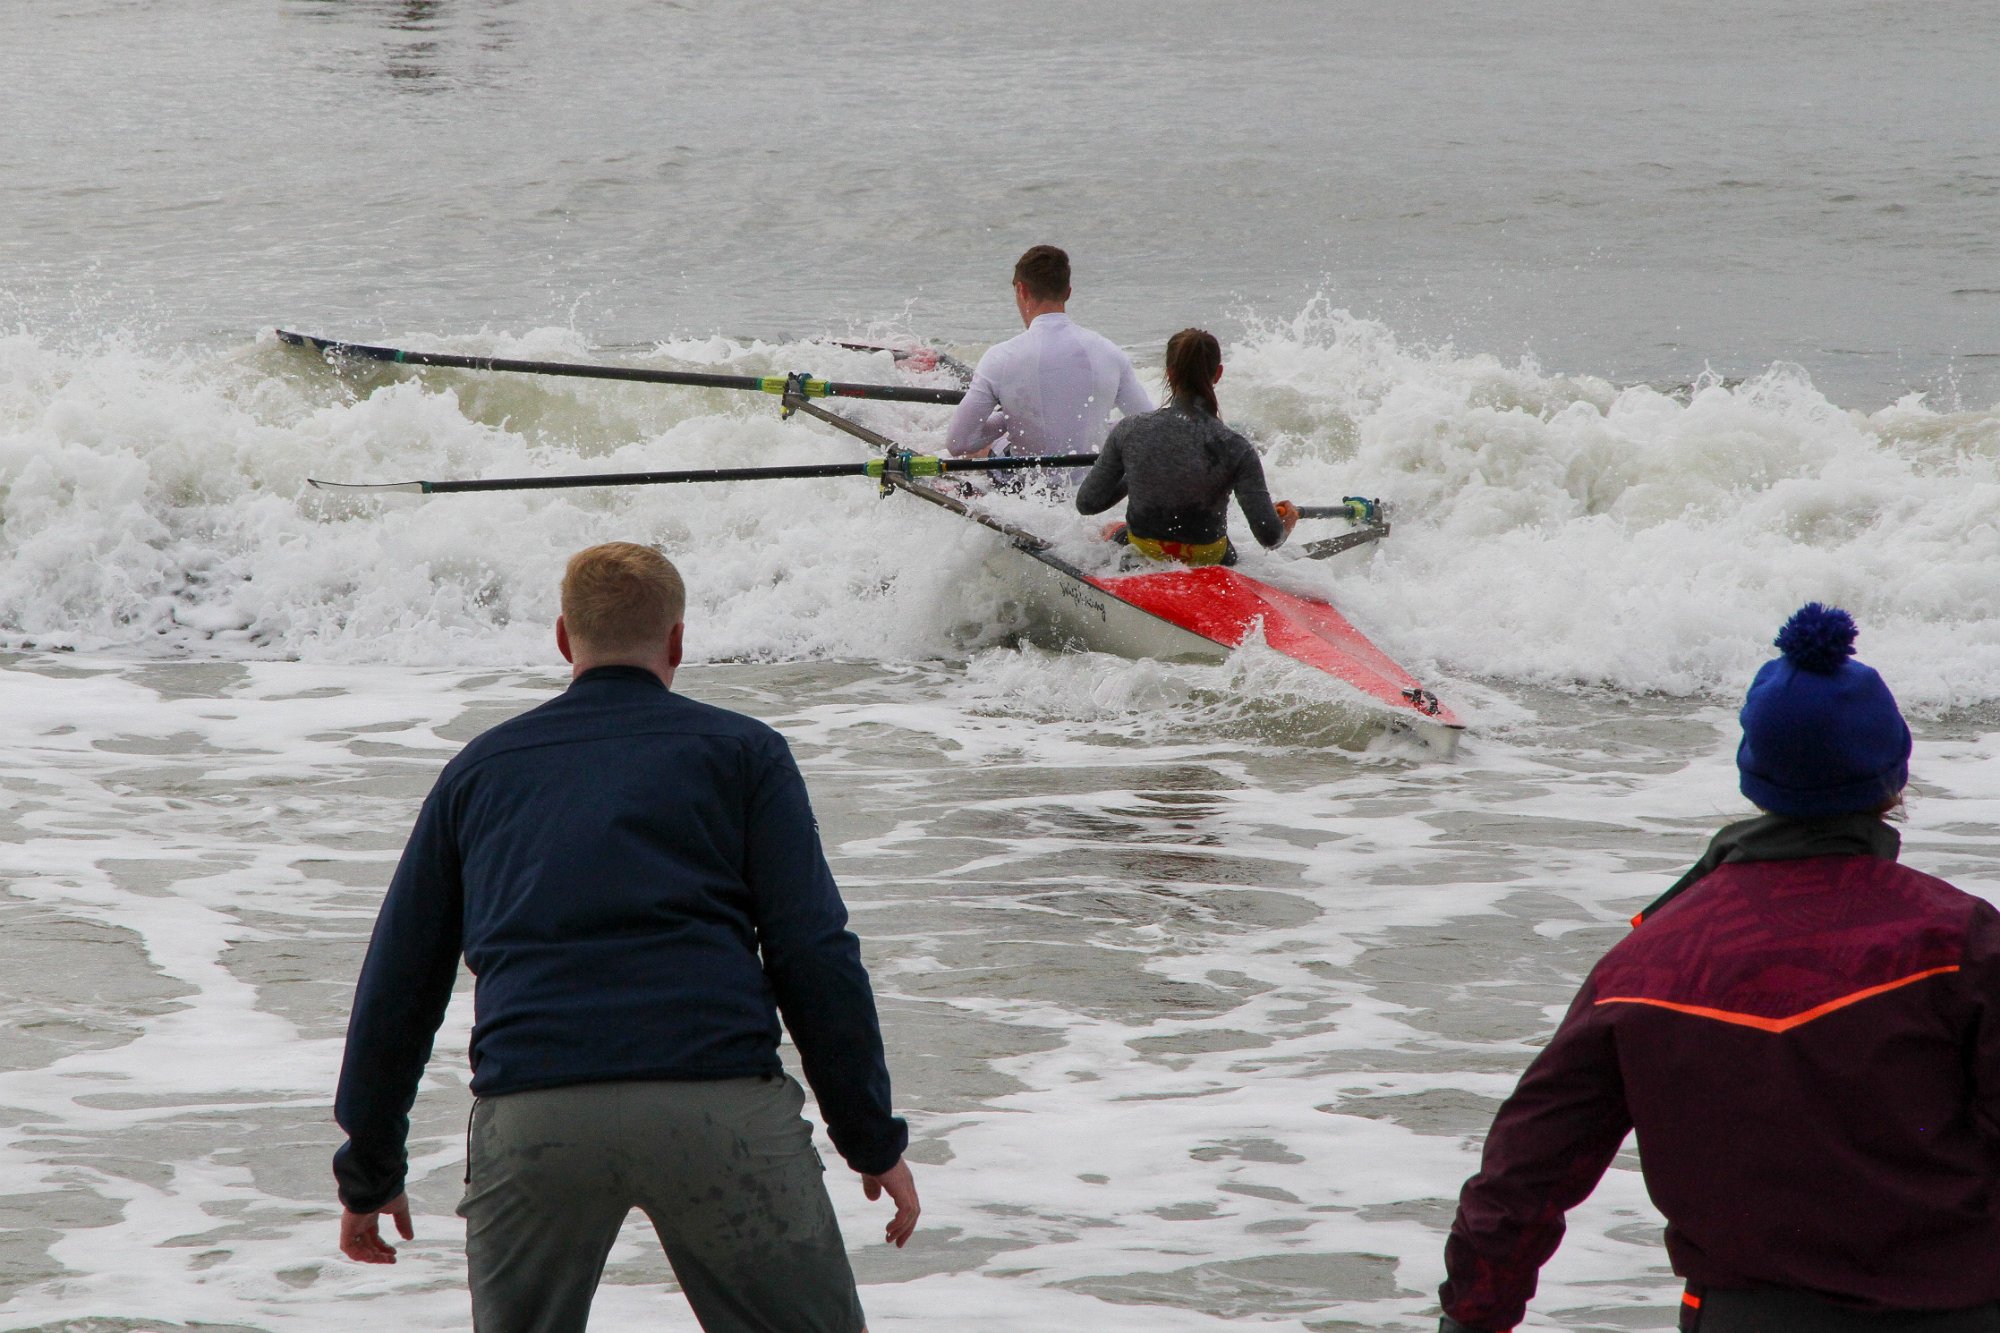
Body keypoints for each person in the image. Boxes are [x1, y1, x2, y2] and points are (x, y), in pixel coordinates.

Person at [333, 542, 918, 1333]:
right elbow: (814, 953)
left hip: (534, 1109)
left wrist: (370, 1168)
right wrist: (870, 1137)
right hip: (716, 1101)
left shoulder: (478, 771)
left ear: (563, 639)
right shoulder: (746, 754)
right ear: (676, 642)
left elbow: (399, 983)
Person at [1438, 603, 2000, 1333]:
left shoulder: (1649, 959)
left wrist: (1473, 1318)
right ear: (1893, 777)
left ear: (1754, 777)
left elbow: (1527, 1167)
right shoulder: (1958, 939)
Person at [1074, 328, 1298, 567]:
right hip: (1211, 558)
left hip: (1143, 553)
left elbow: (1087, 503)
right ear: (1218, 374)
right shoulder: (1236, 446)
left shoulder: (1130, 429)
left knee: (1107, 530)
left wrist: (1138, 474)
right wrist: (1287, 522)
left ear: (1169, 373)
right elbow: (1269, 536)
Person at [944, 244, 1153, 467]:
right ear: (1068, 292)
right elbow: (1150, 431)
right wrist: (1098, 426)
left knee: (983, 450)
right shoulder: (1111, 353)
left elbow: (958, 443)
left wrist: (1008, 417)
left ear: (1022, 291)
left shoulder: (1000, 358)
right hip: (1093, 490)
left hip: (1028, 489)